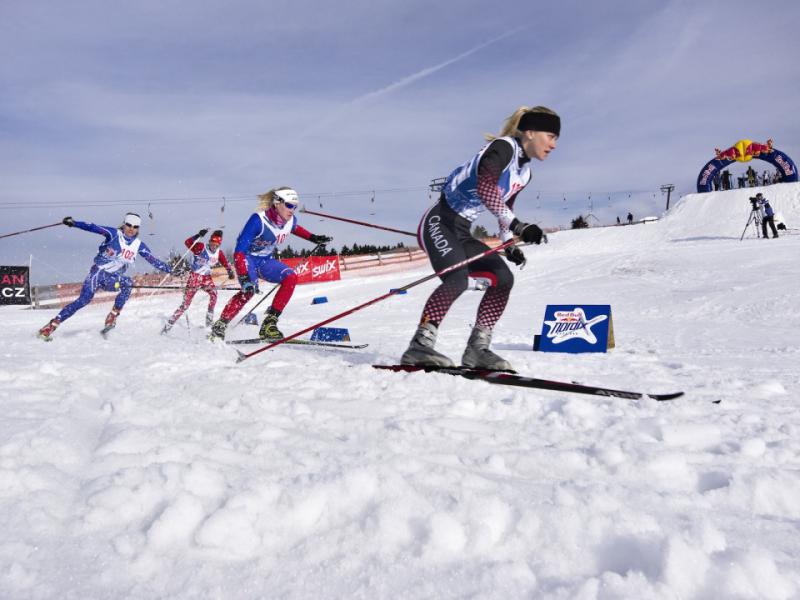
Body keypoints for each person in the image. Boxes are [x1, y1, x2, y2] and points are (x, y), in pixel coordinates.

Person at [400, 105, 559, 370]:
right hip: (441, 220)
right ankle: (420, 346)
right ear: (530, 132)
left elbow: (505, 207)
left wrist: (509, 243)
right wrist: (519, 226)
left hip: (462, 231)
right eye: (551, 136)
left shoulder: (525, 173)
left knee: (503, 278)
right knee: (457, 278)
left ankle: (477, 350)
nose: (554, 145)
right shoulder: (503, 148)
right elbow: (486, 187)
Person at [209, 187, 332, 340]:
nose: (292, 209)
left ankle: (269, 323)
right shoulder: (258, 220)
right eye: (289, 205)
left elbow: (295, 228)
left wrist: (314, 238)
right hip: (247, 258)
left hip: (265, 260)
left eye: (295, 206)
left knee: (290, 277)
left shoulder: (290, 220)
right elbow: (239, 251)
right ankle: (221, 324)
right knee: (249, 290)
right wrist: (245, 277)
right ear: (277, 202)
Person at [37, 213, 172, 340]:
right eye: (129, 225)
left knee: (127, 283)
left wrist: (171, 270)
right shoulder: (114, 234)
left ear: (138, 229)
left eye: (135, 227)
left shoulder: (138, 246)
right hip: (96, 275)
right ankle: (50, 326)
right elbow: (93, 227)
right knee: (83, 301)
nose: (131, 229)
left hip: (111, 280)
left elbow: (153, 260)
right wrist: (74, 223)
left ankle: (112, 316)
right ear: (124, 224)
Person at [162, 229, 235, 333]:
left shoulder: (219, 253)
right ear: (209, 241)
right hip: (195, 277)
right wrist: (197, 235)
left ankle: (208, 323)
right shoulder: (201, 247)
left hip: (206, 278)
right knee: (186, 304)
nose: (214, 247)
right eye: (212, 244)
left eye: (216, 245)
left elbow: (225, 263)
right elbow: (187, 242)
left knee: (214, 294)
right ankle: (169, 324)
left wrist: (230, 271)